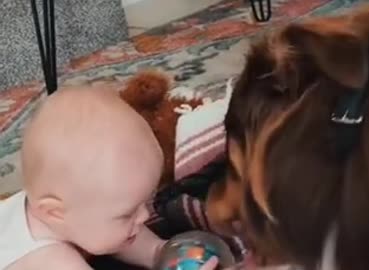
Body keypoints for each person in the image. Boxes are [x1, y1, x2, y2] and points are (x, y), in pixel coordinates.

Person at [0, 84, 217, 270]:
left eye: (142, 203)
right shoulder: (50, 262)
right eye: (126, 214)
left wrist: (158, 251)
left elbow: (122, 237)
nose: (144, 216)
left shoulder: (73, 210)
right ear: (54, 212)